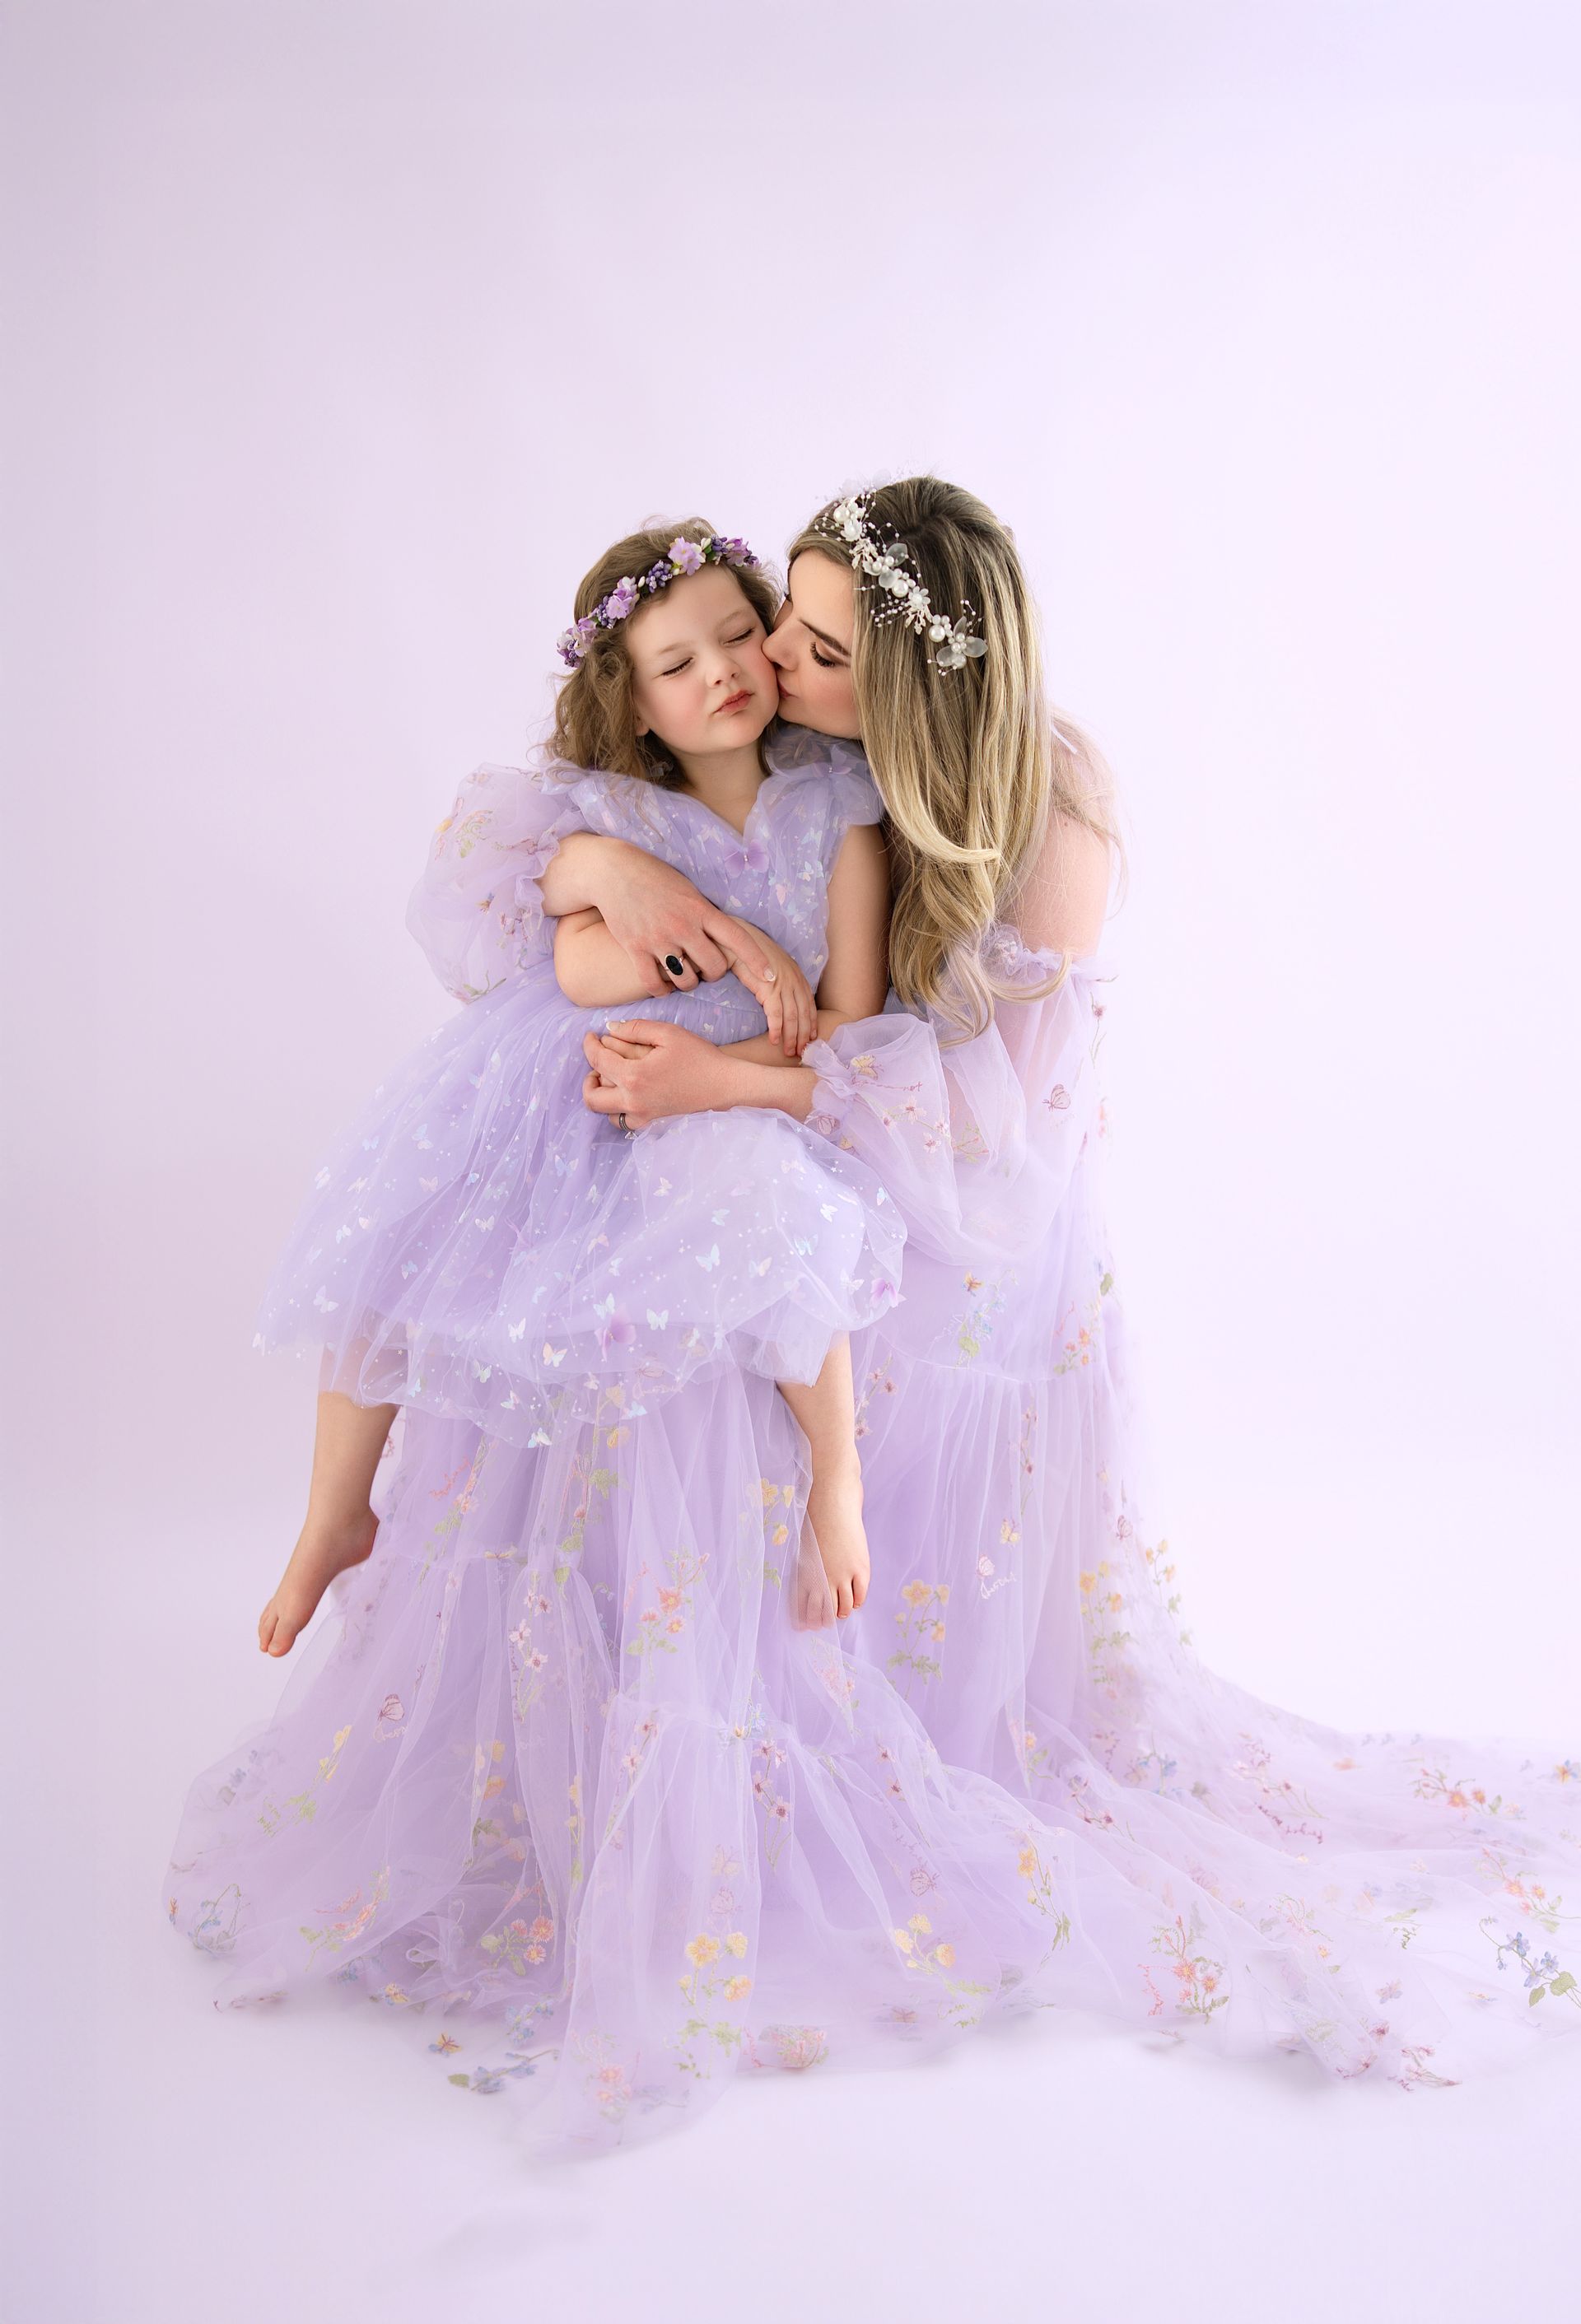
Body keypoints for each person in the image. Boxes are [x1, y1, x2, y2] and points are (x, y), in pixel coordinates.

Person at [570, 477, 1581, 2089]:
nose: (772, 661)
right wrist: (622, 880)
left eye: (817, 646)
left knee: (808, 1345)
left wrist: (726, 1089)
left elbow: (991, 1133)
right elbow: (587, 813)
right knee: (696, 1290)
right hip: (856, 1162)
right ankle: (714, 1737)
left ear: (914, 683)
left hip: (982, 1231)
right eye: (786, 625)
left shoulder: (1051, 813)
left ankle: (856, 1732)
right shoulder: (818, 757)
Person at [166, 517, 1121, 2153]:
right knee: (404, 1243)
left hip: (742, 1108)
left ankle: (831, 1487)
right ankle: (336, 1511)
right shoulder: (622, 815)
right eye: (693, 658)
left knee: (773, 1242)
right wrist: (660, 905)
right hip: (586, 1096)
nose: (752, 669)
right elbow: (573, 954)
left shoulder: (845, 806)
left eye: (766, 639)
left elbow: (857, 1022)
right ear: (632, 698)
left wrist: (725, 1004)